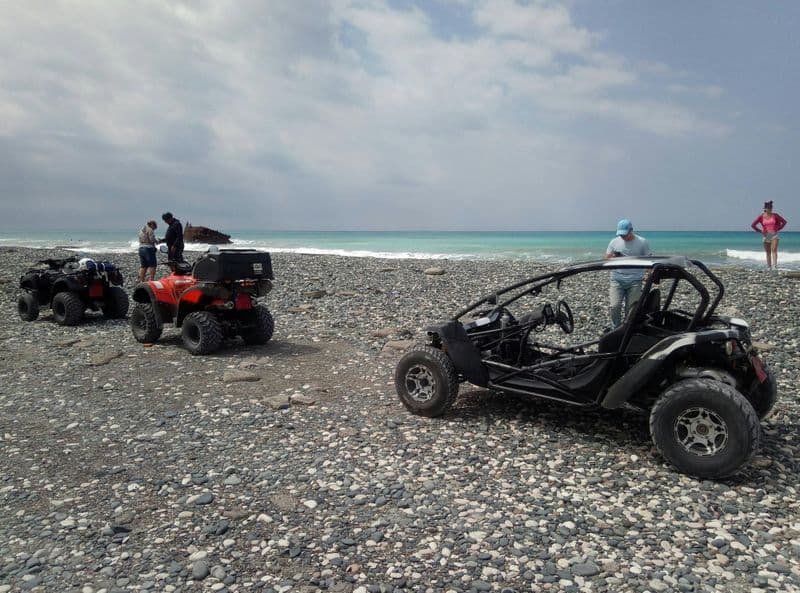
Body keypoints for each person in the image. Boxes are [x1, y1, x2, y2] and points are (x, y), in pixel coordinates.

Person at [605, 219, 651, 328]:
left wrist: (650, 275)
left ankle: (627, 328)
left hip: (635, 279)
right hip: (617, 278)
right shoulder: (614, 242)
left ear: (631, 230)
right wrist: (615, 257)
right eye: (620, 234)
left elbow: (649, 260)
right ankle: (615, 327)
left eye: (624, 234)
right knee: (614, 305)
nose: (623, 237)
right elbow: (607, 258)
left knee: (631, 308)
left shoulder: (642, 242)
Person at [751, 200, 787, 270]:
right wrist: (761, 231)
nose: (770, 209)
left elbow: (784, 222)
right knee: (768, 252)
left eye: (771, 208)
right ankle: (769, 267)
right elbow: (753, 225)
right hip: (766, 235)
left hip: (773, 234)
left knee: (774, 250)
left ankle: (775, 266)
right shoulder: (761, 216)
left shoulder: (775, 215)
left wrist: (777, 229)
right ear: (765, 209)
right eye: (768, 208)